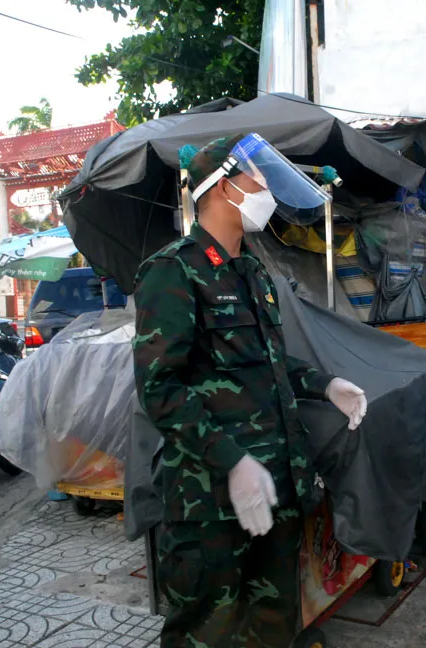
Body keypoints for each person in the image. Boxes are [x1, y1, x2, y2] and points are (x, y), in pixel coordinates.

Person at [133, 134, 367, 648]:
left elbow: (271, 362)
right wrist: (232, 461)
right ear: (221, 189)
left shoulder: (253, 271)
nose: (265, 190)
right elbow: (158, 388)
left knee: (273, 628)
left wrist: (326, 385)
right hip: (209, 505)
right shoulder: (174, 272)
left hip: (275, 492)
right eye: (256, 179)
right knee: (206, 634)